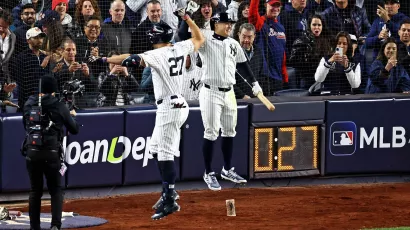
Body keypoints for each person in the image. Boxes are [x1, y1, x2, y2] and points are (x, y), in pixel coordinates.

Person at [91, 7, 204, 220]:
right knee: (154, 149)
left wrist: (104, 60)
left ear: (156, 36)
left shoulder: (158, 54)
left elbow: (129, 59)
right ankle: (168, 191)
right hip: (175, 105)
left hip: (170, 107)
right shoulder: (180, 47)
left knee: (165, 154)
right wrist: (187, 18)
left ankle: (170, 198)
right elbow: (199, 37)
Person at [198, 12, 263, 191]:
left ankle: (227, 169)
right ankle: (208, 172)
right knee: (211, 132)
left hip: (229, 93)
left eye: (231, 23)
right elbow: (184, 36)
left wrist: (255, 84)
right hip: (210, 91)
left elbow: (243, 65)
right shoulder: (205, 39)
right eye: (225, 23)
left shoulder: (233, 43)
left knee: (229, 131)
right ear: (215, 23)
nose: (229, 26)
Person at [22, 75, 80, 230]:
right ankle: (55, 226)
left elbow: (25, 126)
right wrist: (71, 115)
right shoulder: (59, 106)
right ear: (53, 90)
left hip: (32, 153)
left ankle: (34, 227)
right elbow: (74, 130)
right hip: (51, 154)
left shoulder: (28, 103)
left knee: (35, 191)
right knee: (55, 190)